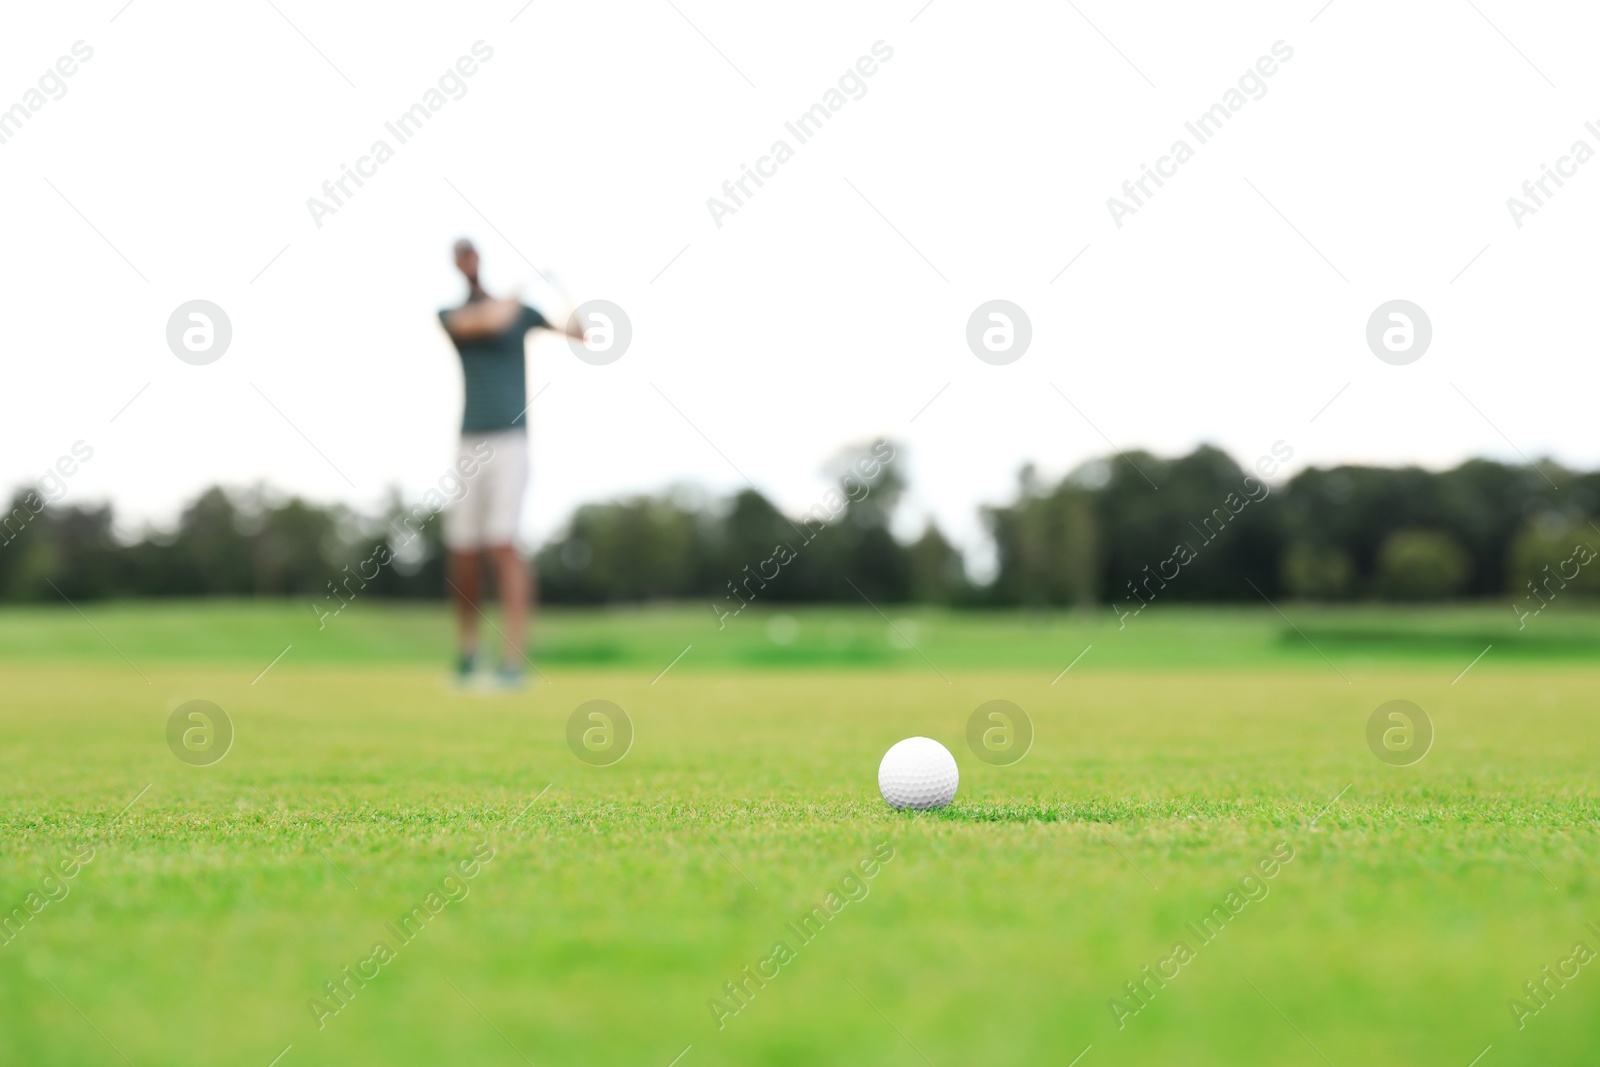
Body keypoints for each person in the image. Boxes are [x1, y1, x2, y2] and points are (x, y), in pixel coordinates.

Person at [437, 238, 580, 686]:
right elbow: (486, 321)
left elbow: (581, 332)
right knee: (464, 552)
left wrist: (563, 292)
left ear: (478, 258)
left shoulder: (523, 313)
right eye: (460, 256)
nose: (468, 262)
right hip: (469, 442)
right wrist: (521, 294)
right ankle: (468, 651)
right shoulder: (453, 314)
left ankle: (514, 660)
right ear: (457, 265)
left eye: (471, 253)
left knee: (504, 545)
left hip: (512, 441)